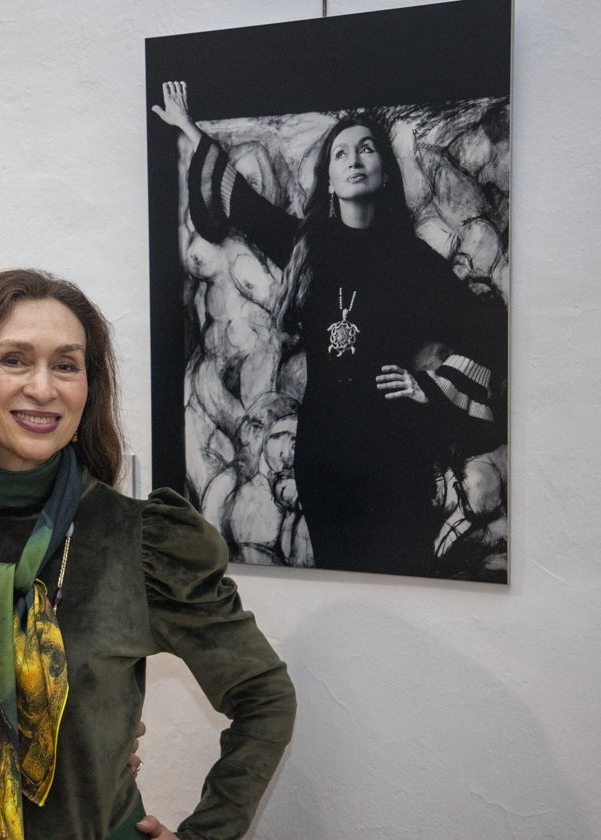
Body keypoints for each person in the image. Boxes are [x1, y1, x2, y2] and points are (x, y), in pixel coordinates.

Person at [0, 269, 297, 839]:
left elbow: (264, 696)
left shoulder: (143, 541)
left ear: (89, 388)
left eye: (67, 365)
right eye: (14, 360)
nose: (44, 388)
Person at [153, 81, 499, 577]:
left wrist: (428, 386)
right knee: (339, 579)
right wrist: (188, 128)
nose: (354, 159)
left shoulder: (413, 260)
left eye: (366, 148)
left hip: (394, 449)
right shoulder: (306, 247)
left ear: (383, 171)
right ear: (330, 179)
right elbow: (243, 204)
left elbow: (485, 328)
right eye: (340, 153)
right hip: (323, 452)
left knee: (402, 580)